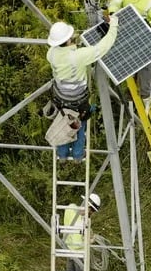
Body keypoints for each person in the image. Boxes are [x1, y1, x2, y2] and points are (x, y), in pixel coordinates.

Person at [46, 14, 119, 161]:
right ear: (67, 39)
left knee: (64, 124)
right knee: (79, 126)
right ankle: (78, 155)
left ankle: (62, 155)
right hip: (78, 100)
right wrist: (114, 26)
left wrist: (73, 45)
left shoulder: (51, 53)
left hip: (61, 98)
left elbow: (67, 52)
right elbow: (103, 47)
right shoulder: (78, 56)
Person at [61, 193, 101, 271]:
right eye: (92, 211)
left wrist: (89, 232)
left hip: (68, 246)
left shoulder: (71, 208)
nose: (91, 214)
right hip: (78, 251)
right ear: (89, 208)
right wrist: (91, 241)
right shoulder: (81, 222)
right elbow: (78, 241)